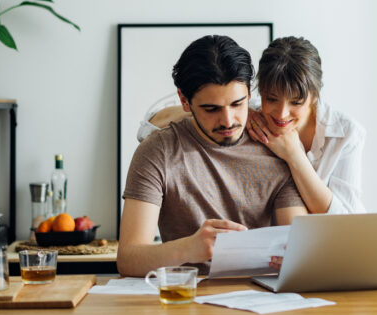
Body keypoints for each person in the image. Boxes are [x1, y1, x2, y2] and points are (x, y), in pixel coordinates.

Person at [117, 35, 306, 277]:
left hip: (260, 299)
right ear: (184, 101)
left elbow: (297, 246)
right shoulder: (157, 152)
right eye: (211, 109)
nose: (228, 121)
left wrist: (293, 256)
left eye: (237, 104)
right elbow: (128, 259)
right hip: (184, 299)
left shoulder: (278, 148)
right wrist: (188, 249)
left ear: (250, 94)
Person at [247, 36, 366, 214]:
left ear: (314, 96)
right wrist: (240, 111)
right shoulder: (250, 115)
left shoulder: (347, 133)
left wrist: (295, 155)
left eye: (295, 102)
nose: (281, 113)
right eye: (271, 99)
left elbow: (346, 218)